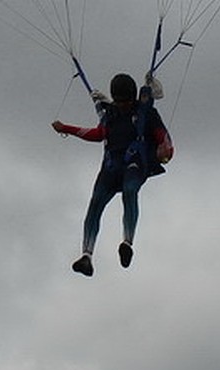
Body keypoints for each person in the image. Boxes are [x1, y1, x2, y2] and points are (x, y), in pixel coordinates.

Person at [52, 72, 173, 276]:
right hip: (112, 166)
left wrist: (165, 153)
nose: (123, 105)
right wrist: (66, 128)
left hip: (135, 163)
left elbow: (165, 141)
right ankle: (86, 256)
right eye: (119, 102)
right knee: (96, 202)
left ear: (132, 97)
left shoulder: (146, 114)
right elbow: (99, 134)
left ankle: (127, 242)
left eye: (126, 101)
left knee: (130, 191)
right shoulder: (111, 114)